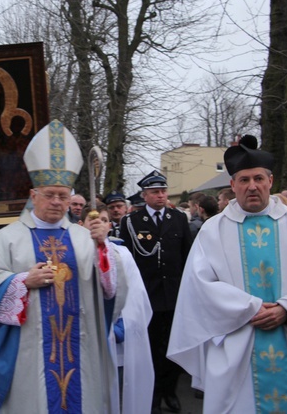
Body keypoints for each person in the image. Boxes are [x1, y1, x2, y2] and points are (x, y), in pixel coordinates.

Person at [167, 135, 287, 413]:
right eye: (244, 180)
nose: (252, 186)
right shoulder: (213, 230)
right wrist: (250, 308)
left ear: (270, 181)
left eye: (258, 179)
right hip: (237, 344)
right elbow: (200, 285)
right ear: (232, 184)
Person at [0, 120, 126, 413]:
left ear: (70, 200)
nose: (55, 202)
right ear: (33, 196)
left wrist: (103, 247)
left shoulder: (85, 238)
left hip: (81, 344)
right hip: (29, 350)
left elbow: (110, 290)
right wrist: (21, 281)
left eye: (62, 196)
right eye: (48, 194)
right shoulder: (7, 239)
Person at [119, 170, 192, 413]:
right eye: (155, 192)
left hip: (173, 294)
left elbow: (187, 256)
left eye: (163, 191)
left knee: (172, 347)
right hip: (147, 295)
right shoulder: (131, 222)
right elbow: (127, 260)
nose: (161, 195)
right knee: (149, 348)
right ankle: (152, 395)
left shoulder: (178, 218)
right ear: (145, 195)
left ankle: (170, 391)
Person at [82, 206, 154, 414]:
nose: (98, 224)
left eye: (103, 220)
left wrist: (121, 326)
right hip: (86, 343)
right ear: (81, 225)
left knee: (119, 397)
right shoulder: (73, 255)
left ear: (110, 225)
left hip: (117, 341)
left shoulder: (121, 254)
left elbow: (137, 296)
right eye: (92, 220)